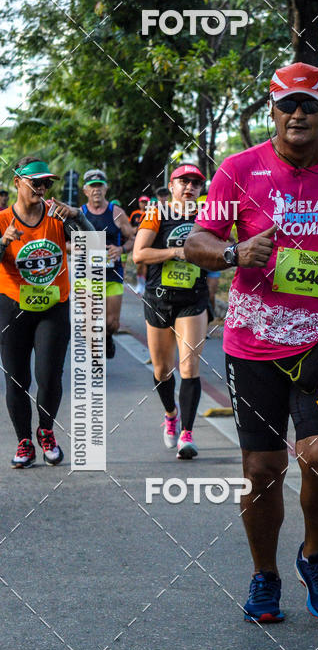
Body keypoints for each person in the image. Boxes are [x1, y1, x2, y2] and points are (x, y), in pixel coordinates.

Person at [185, 61, 318, 623]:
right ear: (272, 111)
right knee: (262, 468)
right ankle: (264, 575)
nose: (297, 114)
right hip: (253, 340)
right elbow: (199, 238)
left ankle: (314, 554)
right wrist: (233, 252)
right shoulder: (239, 170)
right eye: (287, 105)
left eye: (310, 105)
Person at [0, 156, 94, 467]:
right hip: (12, 307)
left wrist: (78, 216)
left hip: (53, 306)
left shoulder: (58, 217)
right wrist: (4, 242)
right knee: (17, 379)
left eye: (46, 183)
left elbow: (93, 243)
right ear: (17, 182)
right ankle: (24, 442)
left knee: (49, 377)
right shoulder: (2, 220)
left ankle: (46, 431)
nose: (41, 188)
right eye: (35, 182)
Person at [132, 163, 209, 460]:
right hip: (159, 297)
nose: (189, 187)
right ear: (172, 186)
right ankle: (170, 413)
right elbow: (139, 253)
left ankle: (187, 434)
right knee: (163, 370)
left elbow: (223, 247)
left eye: (196, 183)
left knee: (189, 366)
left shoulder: (208, 216)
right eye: (183, 182)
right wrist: (177, 252)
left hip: (193, 299)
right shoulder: (156, 214)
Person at [80, 169, 136, 358]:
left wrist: (121, 249)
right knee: (90, 321)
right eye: (92, 186)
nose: (96, 190)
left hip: (112, 274)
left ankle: (107, 337)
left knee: (112, 323)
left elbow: (133, 239)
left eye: (99, 186)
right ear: (85, 190)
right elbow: (66, 243)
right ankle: (95, 358)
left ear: (106, 188)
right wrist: (81, 246)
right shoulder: (80, 213)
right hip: (87, 275)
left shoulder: (116, 212)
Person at [129, 195, 150, 294]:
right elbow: (129, 227)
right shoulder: (135, 214)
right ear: (139, 203)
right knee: (138, 264)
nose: (144, 204)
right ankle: (139, 284)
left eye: (146, 202)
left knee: (145, 264)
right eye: (142, 202)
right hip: (137, 241)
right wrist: (133, 231)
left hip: (148, 242)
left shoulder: (151, 213)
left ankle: (143, 285)